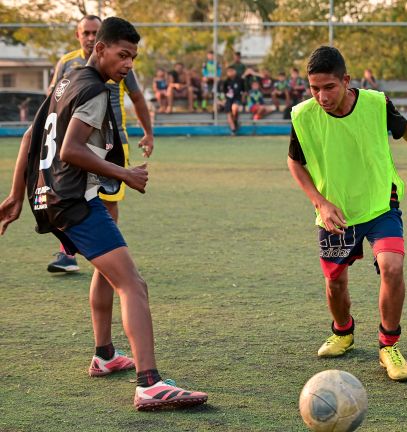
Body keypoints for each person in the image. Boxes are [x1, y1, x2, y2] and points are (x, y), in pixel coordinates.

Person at [0, 16, 207, 411]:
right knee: (134, 284)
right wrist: (125, 173)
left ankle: (105, 355)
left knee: (107, 270)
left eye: (133, 58)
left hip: (51, 196)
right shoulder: (94, 90)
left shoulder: (68, 80)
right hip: (74, 199)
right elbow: (70, 150)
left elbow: (32, 134)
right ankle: (149, 383)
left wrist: (14, 195)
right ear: (99, 48)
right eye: (122, 55)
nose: (128, 64)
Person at [287, 46, 407, 382]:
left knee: (392, 267)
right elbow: (295, 161)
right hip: (337, 211)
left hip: (381, 201)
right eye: (314, 88)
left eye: (329, 87)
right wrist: (320, 202)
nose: (321, 96)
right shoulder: (303, 116)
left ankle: (389, 344)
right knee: (335, 283)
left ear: (346, 80)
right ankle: (342, 331)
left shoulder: (375, 103)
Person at [47, 14, 154, 273]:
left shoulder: (119, 63)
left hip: (112, 140)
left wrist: (148, 133)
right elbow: (52, 101)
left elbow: (138, 98)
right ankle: (73, 254)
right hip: (78, 141)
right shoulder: (70, 66)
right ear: (79, 36)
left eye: (96, 31)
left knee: (106, 199)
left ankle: (106, 257)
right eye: (87, 33)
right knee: (76, 196)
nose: (91, 36)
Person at [219, 66, 246, 135]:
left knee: (234, 108)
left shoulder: (240, 80)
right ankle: (233, 130)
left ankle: (235, 121)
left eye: (231, 71)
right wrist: (223, 100)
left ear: (235, 71)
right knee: (229, 114)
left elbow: (244, 91)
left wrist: (243, 98)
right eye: (228, 71)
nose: (230, 73)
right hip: (229, 100)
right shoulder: (226, 81)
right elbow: (224, 92)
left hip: (237, 98)